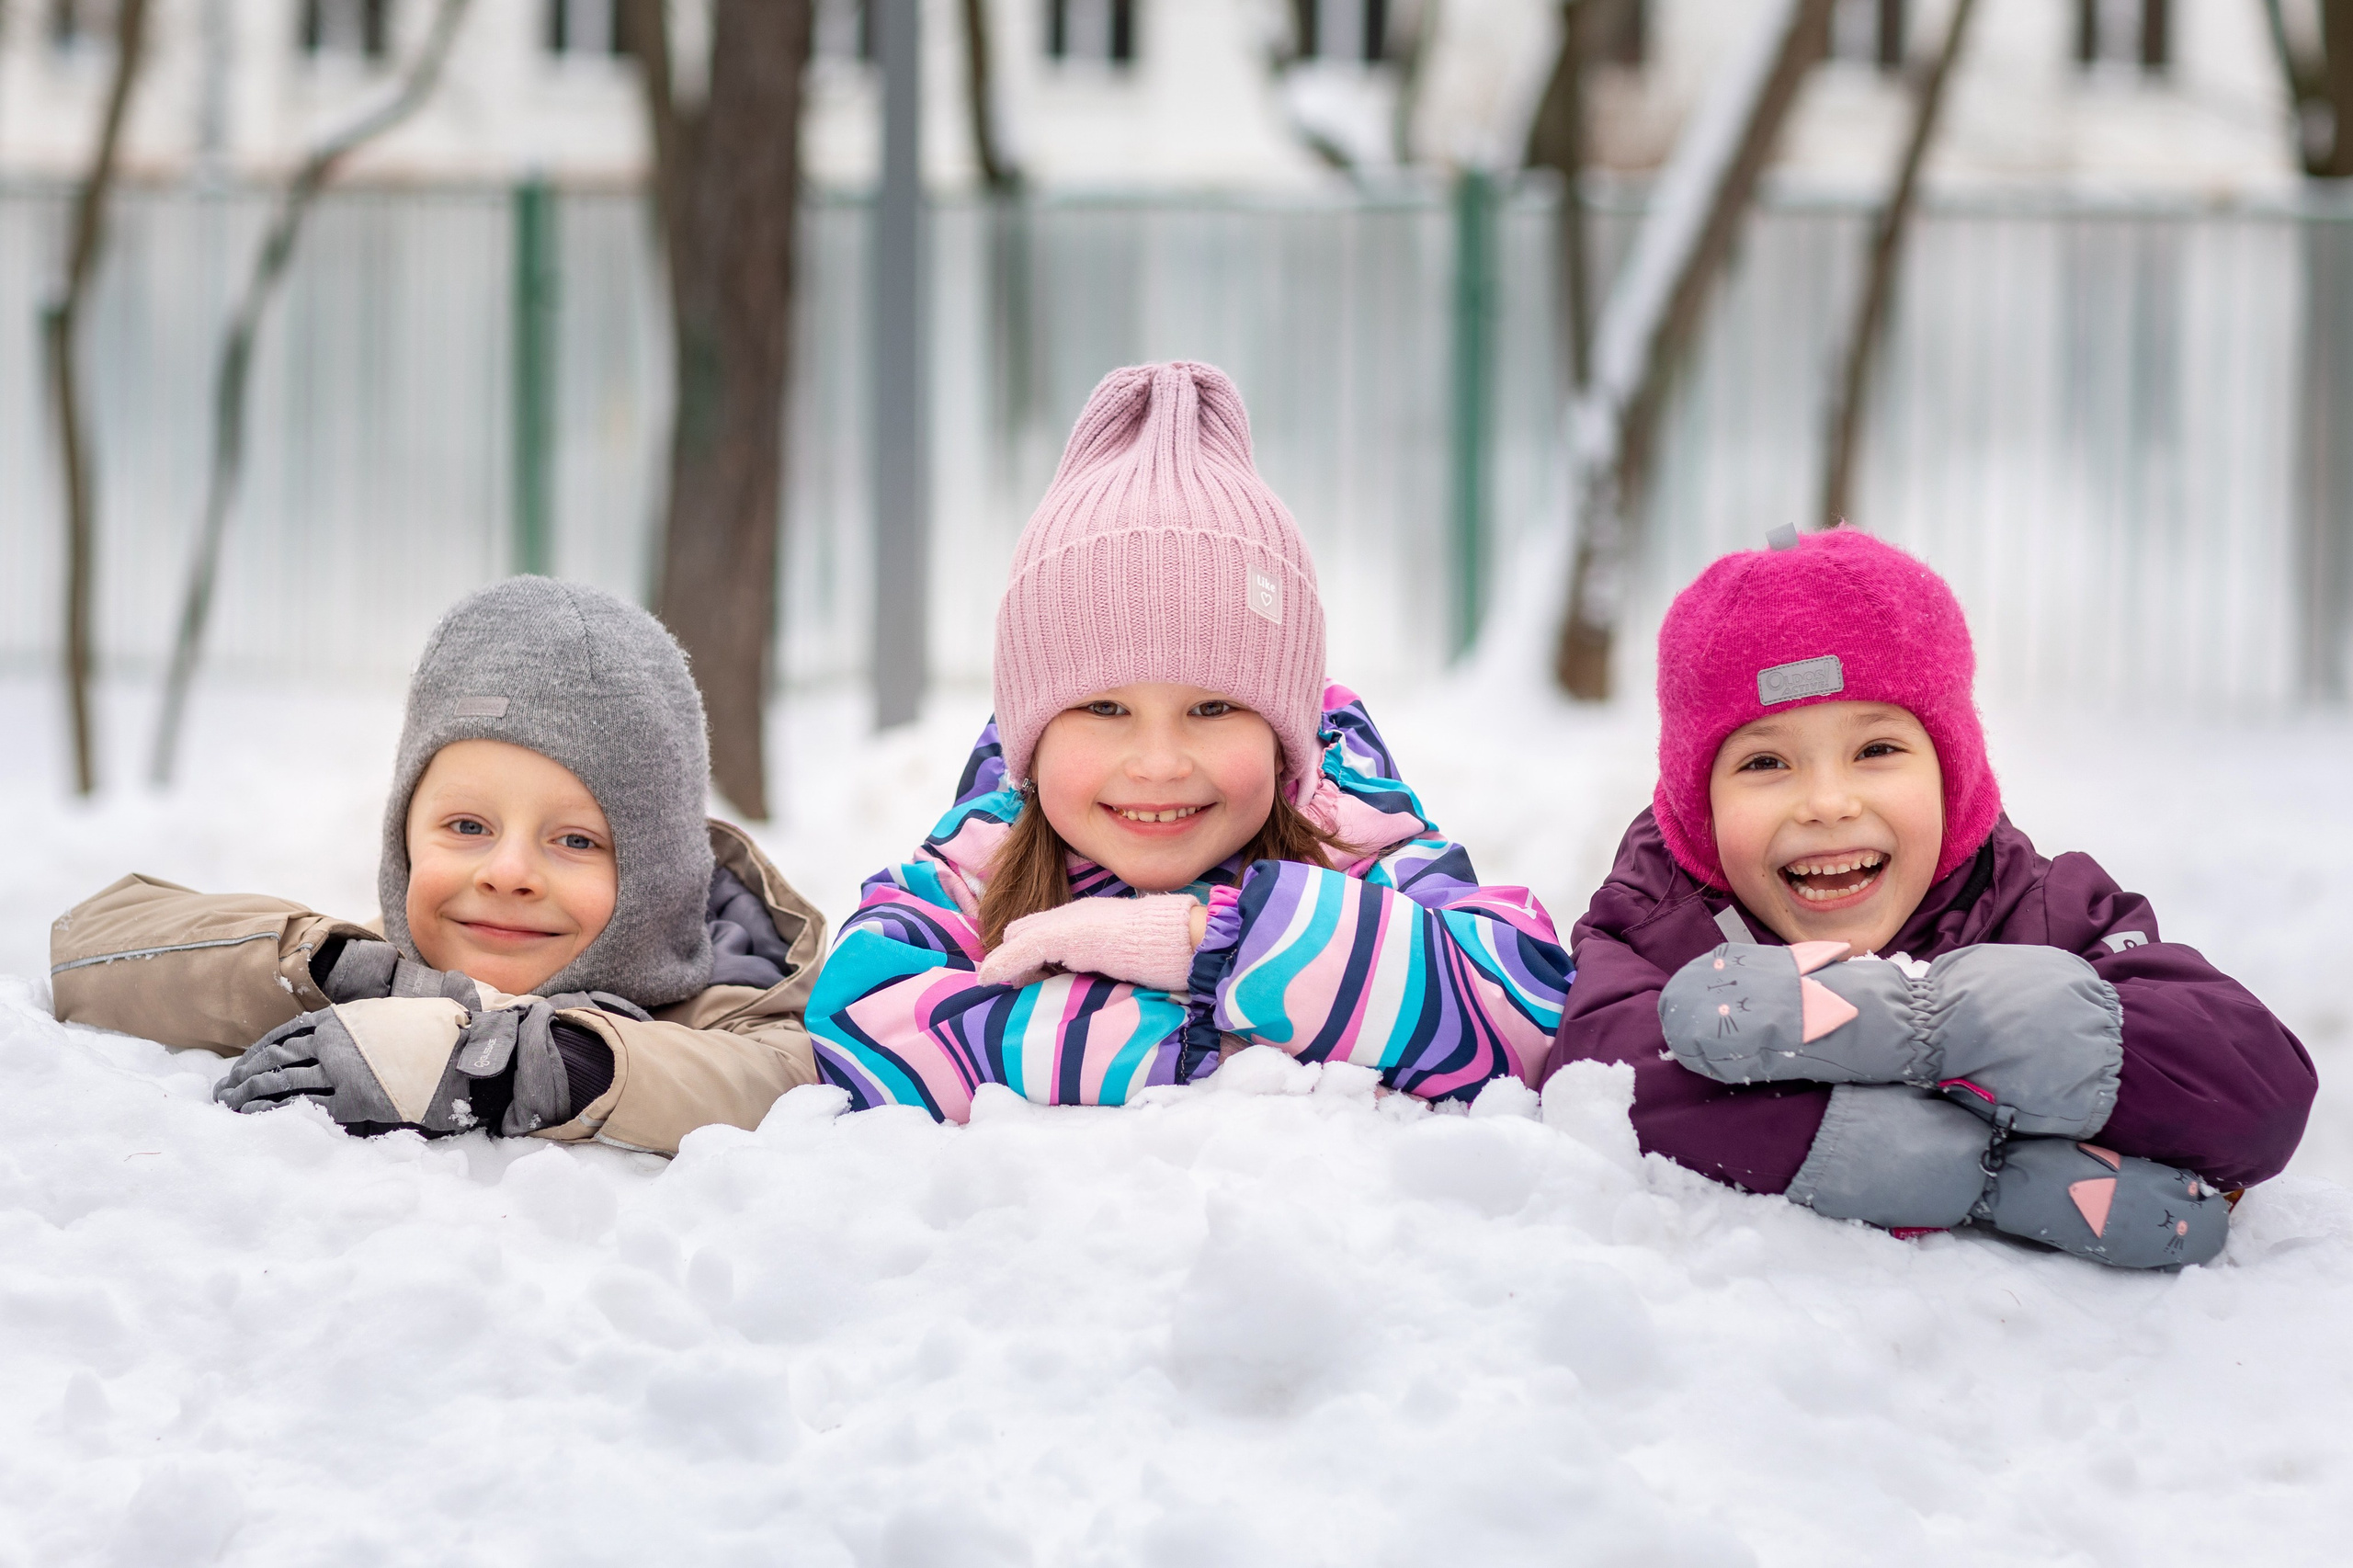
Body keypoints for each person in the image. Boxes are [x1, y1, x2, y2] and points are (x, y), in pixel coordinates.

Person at [807, 360, 1570, 1120]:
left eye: (1212, 708)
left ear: (1284, 738)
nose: (1160, 763)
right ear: (1030, 737)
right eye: (1104, 708)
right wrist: (1200, 1044)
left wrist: (1214, 942)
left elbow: (1529, 1013)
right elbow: (857, 1023)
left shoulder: (1354, 843)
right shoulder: (987, 859)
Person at [1548, 525, 2315, 1267]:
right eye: (1764, 763)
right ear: (1696, 803)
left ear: (1953, 771)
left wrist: (1928, 1023)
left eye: (1877, 750)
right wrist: (1983, 1172)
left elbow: (2253, 1092)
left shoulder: (2038, 907)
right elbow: (1608, 1089)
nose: (1827, 802)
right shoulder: (1658, 915)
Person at [48, 578, 826, 1157]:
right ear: (407, 839)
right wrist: (352, 976)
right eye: (466, 826)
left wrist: (518, 1065)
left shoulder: (735, 994)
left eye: (577, 840)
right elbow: (91, 947)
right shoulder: (389, 960)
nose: (508, 872)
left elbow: (779, 1081)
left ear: (661, 867)